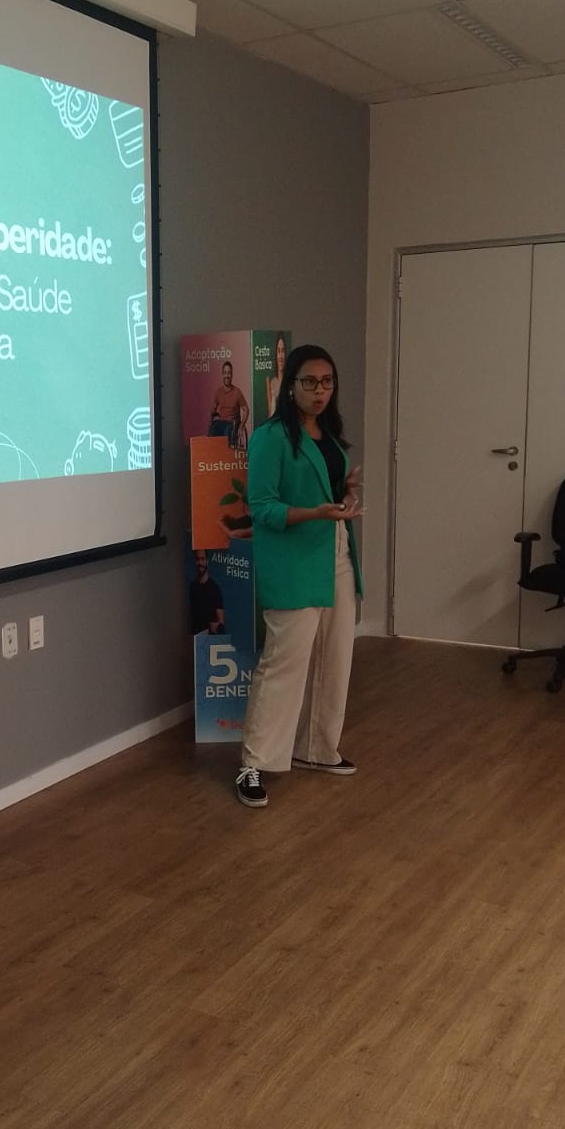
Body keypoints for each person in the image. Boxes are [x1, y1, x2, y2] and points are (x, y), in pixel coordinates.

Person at [235, 343, 362, 808]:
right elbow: (262, 508)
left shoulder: (329, 433)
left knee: (334, 660)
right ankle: (253, 763)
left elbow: (330, 490)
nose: (319, 391)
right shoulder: (270, 438)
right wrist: (316, 512)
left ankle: (316, 749)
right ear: (290, 385)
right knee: (283, 666)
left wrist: (346, 497)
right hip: (294, 564)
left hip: (336, 556)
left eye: (327, 382)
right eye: (309, 382)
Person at [208, 361, 248, 446]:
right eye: (225, 373)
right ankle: (211, 453)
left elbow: (246, 410)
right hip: (221, 422)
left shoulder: (237, 392)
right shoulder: (218, 392)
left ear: (232, 375)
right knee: (212, 430)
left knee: (227, 431)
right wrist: (212, 417)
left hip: (232, 423)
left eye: (229, 373)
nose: (227, 376)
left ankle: (225, 453)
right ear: (222, 375)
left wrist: (241, 426)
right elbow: (213, 407)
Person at [189, 549, 225, 635]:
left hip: (209, 639)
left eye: (203, 559)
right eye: (198, 559)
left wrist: (215, 627)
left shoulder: (214, 589)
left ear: (207, 561)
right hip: (195, 637)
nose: (200, 562)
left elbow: (221, 624)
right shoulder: (192, 587)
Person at [265, 333, 287, 418]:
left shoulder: (290, 381)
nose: (280, 356)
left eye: (283, 351)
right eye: (278, 351)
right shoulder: (270, 381)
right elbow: (270, 413)